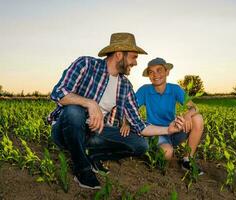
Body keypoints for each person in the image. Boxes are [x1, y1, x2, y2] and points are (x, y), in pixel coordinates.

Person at [48, 33, 185, 189]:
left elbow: (140, 125)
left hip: (93, 134)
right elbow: (58, 92)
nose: (135, 63)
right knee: (74, 111)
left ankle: (93, 156)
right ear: (119, 54)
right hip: (66, 131)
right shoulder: (86, 64)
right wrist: (90, 103)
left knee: (140, 144)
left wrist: (168, 129)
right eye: (133, 57)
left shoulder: (125, 86)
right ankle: (82, 169)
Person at [135, 57, 204, 174]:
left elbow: (195, 107)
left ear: (167, 72)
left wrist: (187, 115)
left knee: (197, 118)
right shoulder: (144, 90)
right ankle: (153, 153)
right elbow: (131, 109)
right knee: (167, 153)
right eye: (151, 72)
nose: (155, 75)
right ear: (149, 76)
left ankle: (187, 160)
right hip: (157, 133)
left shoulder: (175, 89)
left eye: (159, 70)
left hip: (174, 130)